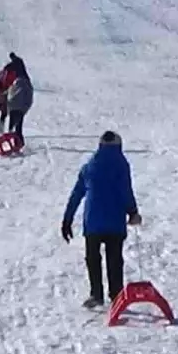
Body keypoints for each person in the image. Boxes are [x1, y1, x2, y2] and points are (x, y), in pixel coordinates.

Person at [61, 131, 143, 308]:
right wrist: (133, 212)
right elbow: (125, 190)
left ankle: (96, 294)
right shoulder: (121, 164)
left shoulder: (90, 165)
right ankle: (116, 295)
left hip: (93, 221)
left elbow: (77, 194)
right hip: (115, 221)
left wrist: (67, 219)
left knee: (92, 258)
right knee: (114, 259)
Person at [0, 57, 32, 145]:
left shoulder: (21, 82)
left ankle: (17, 143)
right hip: (15, 106)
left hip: (17, 106)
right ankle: (15, 143)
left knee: (16, 127)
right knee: (15, 127)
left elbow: (7, 93)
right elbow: (7, 92)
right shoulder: (17, 83)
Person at [0, 54, 21, 133]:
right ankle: (9, 130)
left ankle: (2, 129)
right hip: (10, 94)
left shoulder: (3, 73)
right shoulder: (14, 73)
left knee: (4, 113)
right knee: (11, 113)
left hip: (4, 93)